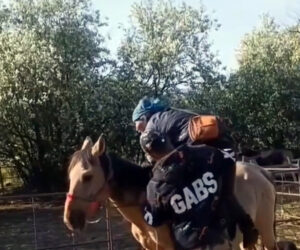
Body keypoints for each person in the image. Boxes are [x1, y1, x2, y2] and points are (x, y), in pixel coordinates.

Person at [132, 96, 258, 248]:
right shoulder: (166, 116)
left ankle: (247, 228)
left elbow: (167, 157)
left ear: (144, 116)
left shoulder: (152, 126)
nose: (136, 128)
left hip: (220, 151)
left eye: (137, 122)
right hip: (212, 149)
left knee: (225, 193)